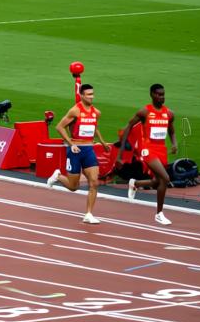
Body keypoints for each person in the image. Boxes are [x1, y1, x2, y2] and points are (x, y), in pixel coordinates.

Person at [45, 82, 110, 224]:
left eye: (92, 94)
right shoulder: (75, 111)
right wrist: (71, 143)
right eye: (88, 94)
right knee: (74, 187)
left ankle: (88, 214)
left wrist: (103, 142)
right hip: (75, 150)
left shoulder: (96, 112)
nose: (91, 97)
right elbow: (60, 127)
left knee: (94, 182)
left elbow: (94, 127)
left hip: (89, 150)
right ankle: (58, 176)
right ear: (81, 95)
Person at [118, 84, 177, 225]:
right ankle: (159, 214)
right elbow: (129, 126)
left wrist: (174, 143)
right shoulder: (145, 112)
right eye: (158, 94)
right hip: (147, 149)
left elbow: (172, 131)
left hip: (161, 149)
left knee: (158, 182)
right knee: (165, 178)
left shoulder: (169, 114)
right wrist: (121, 152)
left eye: (163, 94)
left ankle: (135, 183)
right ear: (152, 95)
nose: (161, 97)